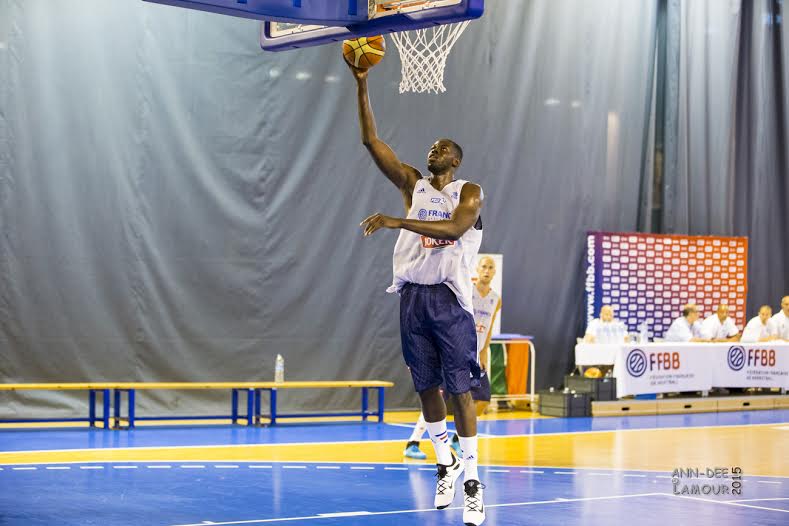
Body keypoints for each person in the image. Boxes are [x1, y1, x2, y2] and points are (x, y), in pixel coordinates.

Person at [350, 63, 486, 524]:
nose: (434, 149)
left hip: (449, 302)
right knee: (427, 390)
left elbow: (452, 229)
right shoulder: (413, 184)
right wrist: (362, 83)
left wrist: (398, 220)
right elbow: (372, 142)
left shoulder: (469, 192)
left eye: (442, 147)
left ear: (456, 160)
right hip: (412, 299)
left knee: (461, 391)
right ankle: (443, 461)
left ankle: (471, 480)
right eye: (430, 146)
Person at [404, 256, 500, 460]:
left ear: (495, 272)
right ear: (477, 268)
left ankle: (458, 436)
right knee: (440, 397)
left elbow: (489, 325)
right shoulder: (466, 290)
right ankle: (414, 441)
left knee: (483, 399)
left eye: (491, 268)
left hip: (475, 354)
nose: (487, 270)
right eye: (484, 266)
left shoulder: (496, 298)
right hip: (457, 351)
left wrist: (483, 351)